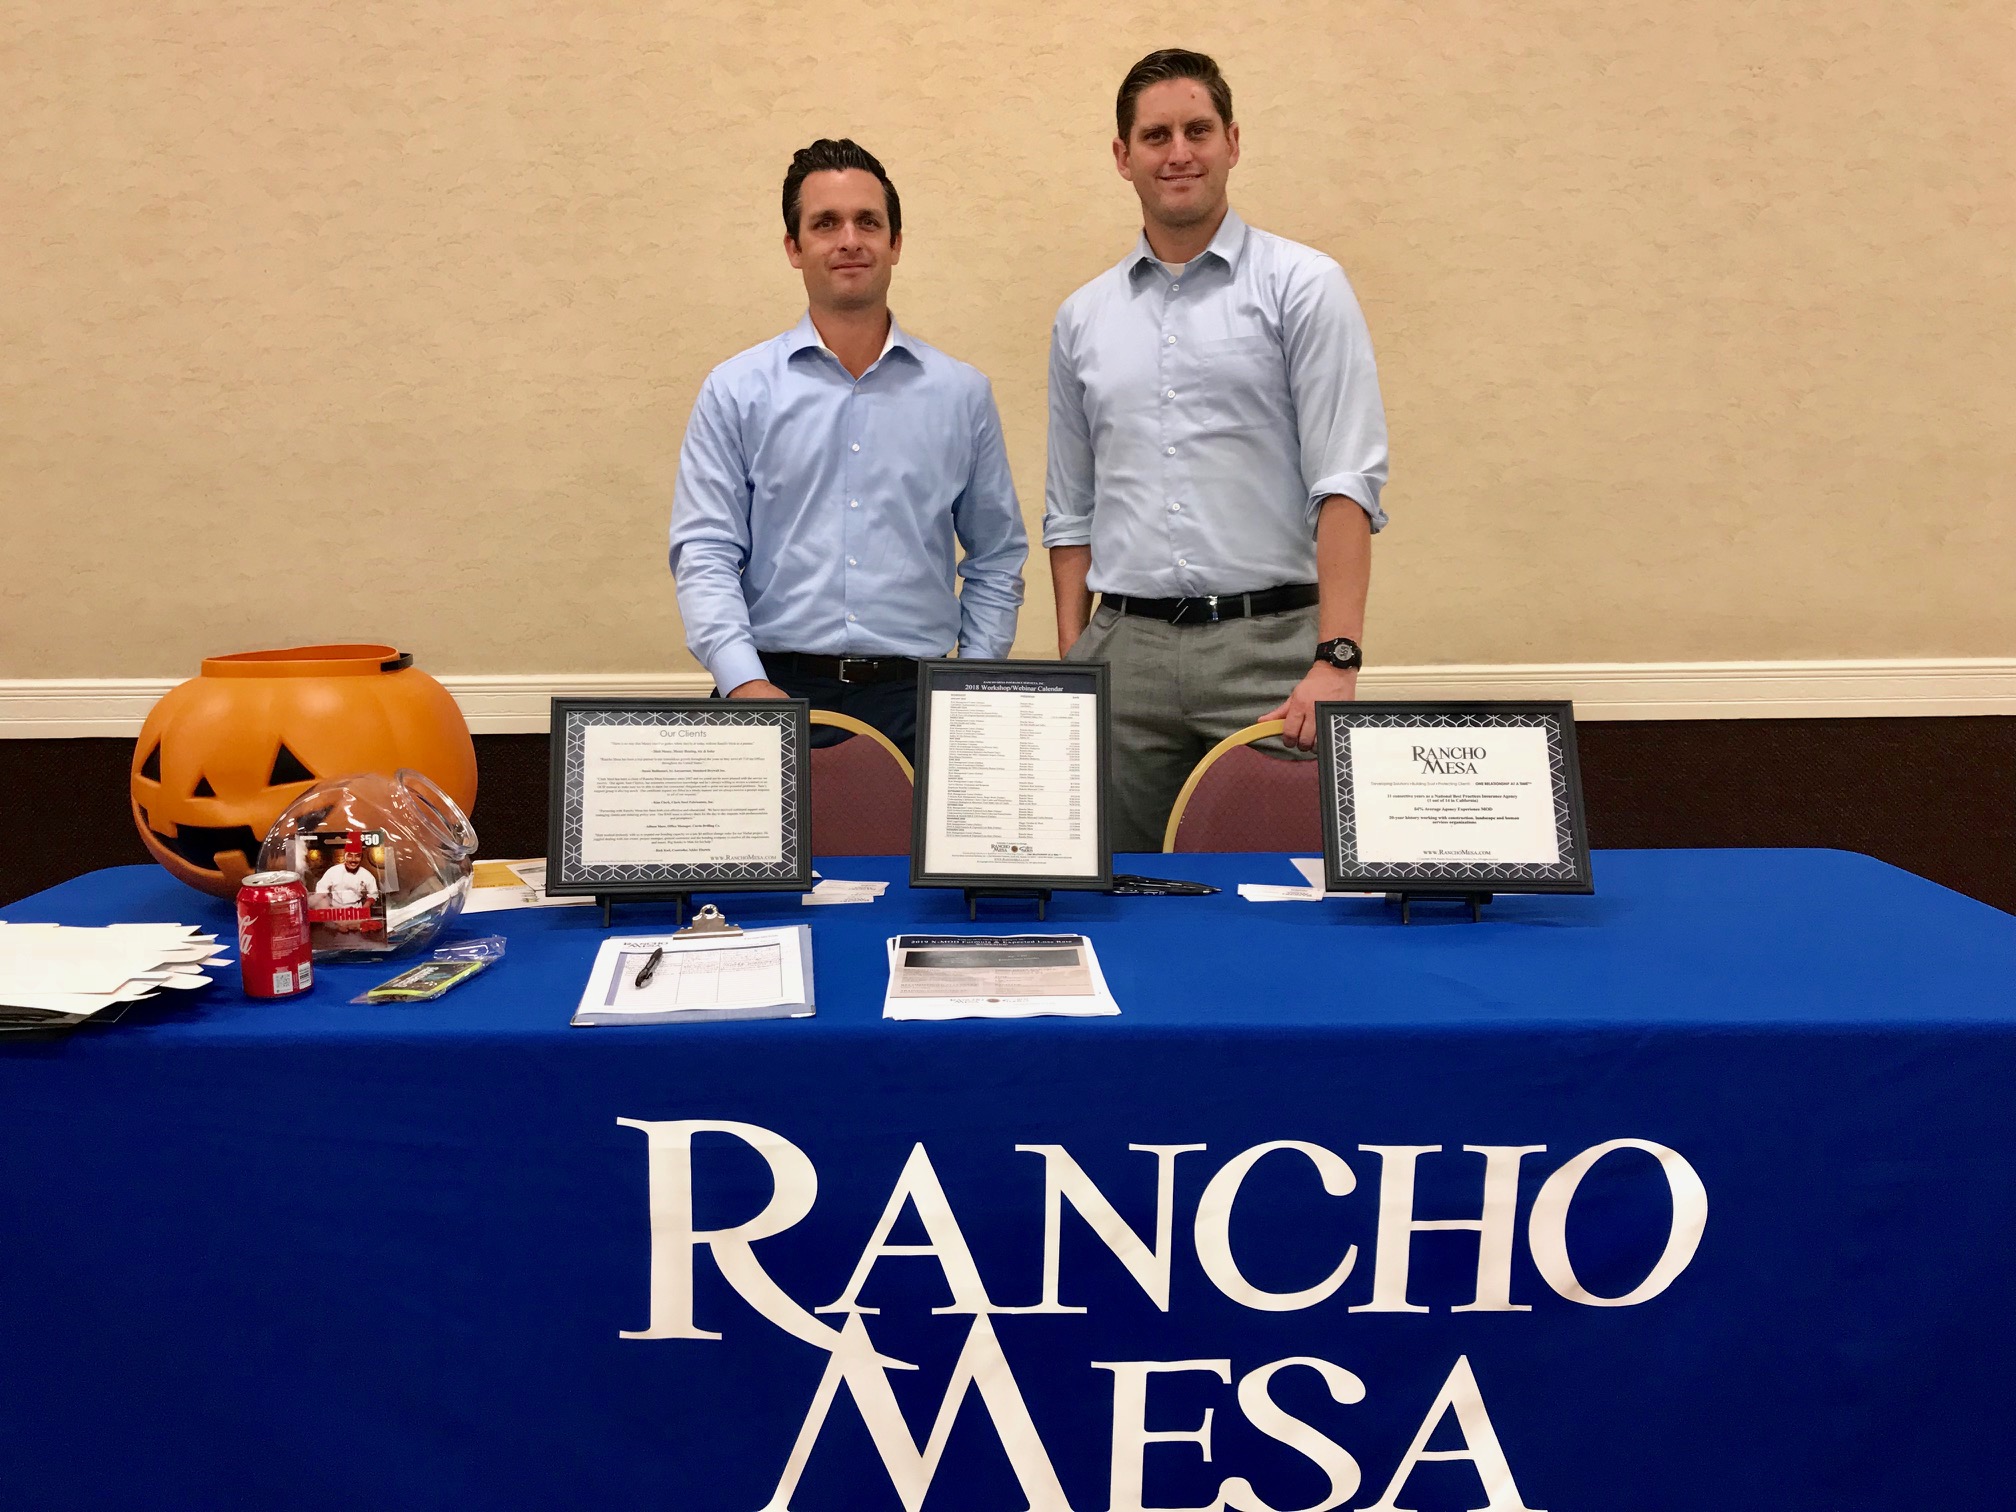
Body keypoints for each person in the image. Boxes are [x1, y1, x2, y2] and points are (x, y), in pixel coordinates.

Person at [1044, 49, 1389, 851]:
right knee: (1115, 898)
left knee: (1285, 903)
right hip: (1122, 661)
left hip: (1271, 655)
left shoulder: (1303, 285)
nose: (1179, 152)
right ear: (1123, 157)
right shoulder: (1081, 319)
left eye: (1198, 129)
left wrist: (1337, 659)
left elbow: (1346, 481)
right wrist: (1076, 665)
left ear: (1233, 141)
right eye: (1156, 134)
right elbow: (1071, 509)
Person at [669, 138, 1028, 761]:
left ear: (895, 242)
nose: (849, 240)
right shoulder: (737, 391)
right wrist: (743, 680)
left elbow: (997, 555)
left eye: (869, 222)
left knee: (910, 865)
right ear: (793, 247)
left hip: (920, 705)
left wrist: (970, 681)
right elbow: (703, 551)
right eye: (825, 223)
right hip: (769, 693)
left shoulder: (960, 394)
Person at [312, 836, 379, 910]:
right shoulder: (333, 871)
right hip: (335, 910)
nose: (353, 860)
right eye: (350, 856)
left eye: (357, 856)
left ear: (361, 858)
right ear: (345, 856)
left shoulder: (366, 875)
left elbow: (373, 894)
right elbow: (321, 889)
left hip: (356, 910)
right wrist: (325, 907)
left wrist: (363, 910)